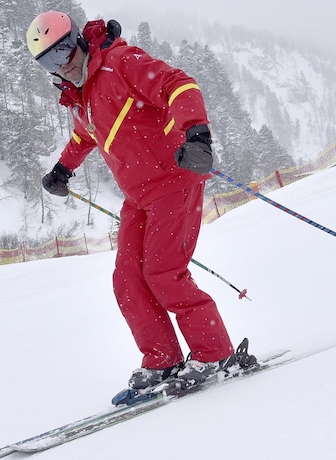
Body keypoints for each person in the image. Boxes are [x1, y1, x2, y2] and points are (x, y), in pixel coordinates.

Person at [26, 11, 239, 390]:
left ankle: (214, 354)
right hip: (138, 196)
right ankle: (163, 359)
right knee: (127, 278)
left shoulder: (120, 63)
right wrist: (62, 169)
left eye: (62, 52)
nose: (62, 65)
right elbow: (85, 135)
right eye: (49, 61)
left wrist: (198, 135)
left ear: (76, 40)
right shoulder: (83, 96)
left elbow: (179, 84)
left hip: (175, 181)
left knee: (163, 273)